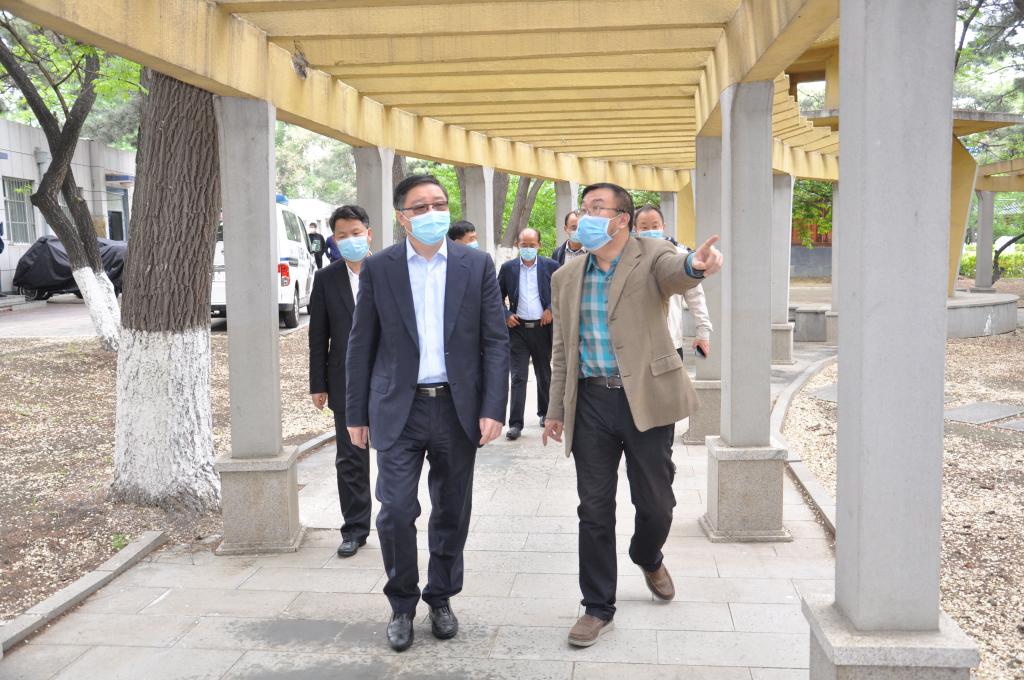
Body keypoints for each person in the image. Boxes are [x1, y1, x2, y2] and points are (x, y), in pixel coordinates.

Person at [541, 182, 723, 648]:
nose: (586, 216)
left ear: (622, 219)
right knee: (594, 509)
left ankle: (647, 554)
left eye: (597, 208)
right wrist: (555, 408)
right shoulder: (567, 275)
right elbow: (561, 349)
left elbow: (677, 273)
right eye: (584, 208)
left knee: (656, 502)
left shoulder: (653, 253)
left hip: (647, 397)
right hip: (591, 403)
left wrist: (696, 265)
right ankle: (597, 606)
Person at [346, 174, 509, 652]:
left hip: (457, 409)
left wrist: (493, 406)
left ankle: (441, 597)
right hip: (399, 408)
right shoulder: (380, 268)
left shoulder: (476, 265)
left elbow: (495, 341)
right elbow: (360, 344)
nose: (433, 212)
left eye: (439, 203)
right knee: (396, 510)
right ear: (403, 217)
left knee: (452, 509)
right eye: (421, 207)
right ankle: (401, 603)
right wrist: (355, 413)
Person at [309, 205, 374, 560]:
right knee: (350, 458)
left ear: (369, 234)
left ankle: (397, 523)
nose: (350, 240)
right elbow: (318, 335)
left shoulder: (391, 270)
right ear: (333, 240)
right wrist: (317, 383)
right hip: (345, 382)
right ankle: (354, 529)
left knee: (397, 457)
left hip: (389, 381)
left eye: (356, 233)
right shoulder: (326, 278)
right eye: (342, 235)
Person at [498, 228, 559, 440]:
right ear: (517, 244)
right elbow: (496, 295)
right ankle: (515, 424)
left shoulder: (551, 266)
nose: (528, 248)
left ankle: (545, 413)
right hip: (518, 330)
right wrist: (506, 314)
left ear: (539, 245)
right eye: (524, 245)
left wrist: (551, 309)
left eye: (532, 245)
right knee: (518, 376)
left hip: (542, 328)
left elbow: (561, 292)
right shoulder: (508, 268)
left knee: (544, 373)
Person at [634, 205, 712, 359]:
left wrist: (703, 332)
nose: (650, 230)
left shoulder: (681, 257)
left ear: (663, 227)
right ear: (636, 229)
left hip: (670, 343)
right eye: (644, 227)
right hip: (636, 345)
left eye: (655, 226)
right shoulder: (627, 259)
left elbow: (696, 297)